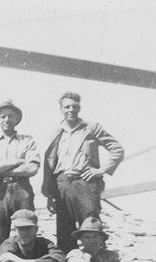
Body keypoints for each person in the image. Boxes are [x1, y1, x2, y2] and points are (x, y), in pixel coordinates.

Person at [41, 92, 125, 252]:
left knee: (91, 228)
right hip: (61, 185)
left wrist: (101, 170)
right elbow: (51, 164)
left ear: (79, 107)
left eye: (74, 106)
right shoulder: (56, 133)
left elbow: (117, 149)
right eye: (67, 106)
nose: (71, 109)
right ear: (61, 109)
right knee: (64, 231)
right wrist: (50, 194)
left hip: (85, 183)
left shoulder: (91, 128)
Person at [0, 100, 40, 256]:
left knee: (25, 235)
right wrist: (15, 162)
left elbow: (32, 168)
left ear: (16, 119)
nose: (6, 120)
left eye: (10, 116)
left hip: (22, 189)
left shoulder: (27, 140)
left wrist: (1, 169)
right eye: (3, 117)